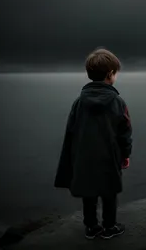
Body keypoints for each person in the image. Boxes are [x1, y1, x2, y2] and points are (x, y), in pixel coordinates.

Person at [54, 47, 132, 240]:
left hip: (83, 157)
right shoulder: (118, 102)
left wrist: (71, 159)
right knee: (109, 192)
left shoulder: (78, 102)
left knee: (88, 192)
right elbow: (125, 132)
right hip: (109, 157)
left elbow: (71, 132)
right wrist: (126, 155)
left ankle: (91, 227)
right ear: (110, 74)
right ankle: (109, 226)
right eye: (116, 73)